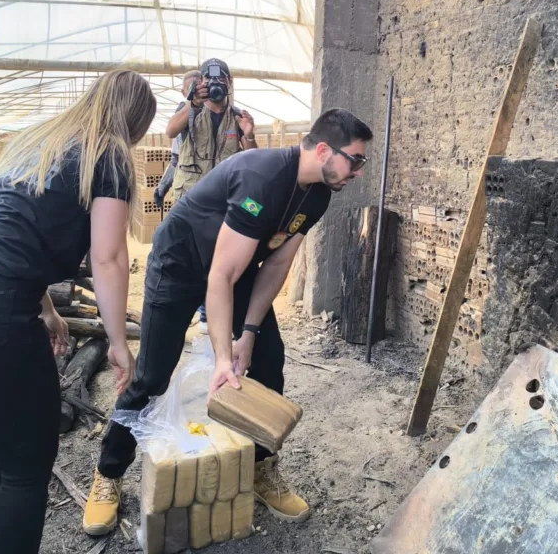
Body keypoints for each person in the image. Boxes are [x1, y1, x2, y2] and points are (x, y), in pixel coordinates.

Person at [83, 107, 372, 536]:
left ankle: (259, 467)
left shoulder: (320, 195)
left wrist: (250, 333)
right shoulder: (264, 177)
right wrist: (223, 356)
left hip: (236, 270)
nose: (359, 172)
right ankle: (108, 474)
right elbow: (219, 274)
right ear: (325, 150)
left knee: (270, 362)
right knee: (153, 375)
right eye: (356, 160)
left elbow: (276, 264)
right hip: (179, 266)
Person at [0, 70, 157, 554]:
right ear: (136, 121)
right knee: (26, 470)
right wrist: (117, 342)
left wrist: (46, 309)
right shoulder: (108, 154)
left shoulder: (40, 141)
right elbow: (108, 257)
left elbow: (9, 228)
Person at [165, 58, 257, 333]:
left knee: (217, 255)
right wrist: (193, 102)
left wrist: (249, 135)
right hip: (190, 196)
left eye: (222, 79)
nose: (217, 85)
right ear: (202, 82)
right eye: (210, 79)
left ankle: (208, 314)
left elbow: (251, 156)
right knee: (184, 254)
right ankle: (185, 309)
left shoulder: (237, 116)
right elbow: (170, 130)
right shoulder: (188, 109)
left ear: (229, 83)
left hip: (222, 200)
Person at [153, 69, 202, 210]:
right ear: (183, 92)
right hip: (189, 187)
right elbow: (176, 158)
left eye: (197, 87)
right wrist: (163, 185)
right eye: (191, 88)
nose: (195, 91)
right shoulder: (183, 112)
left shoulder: (218, 110)